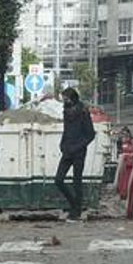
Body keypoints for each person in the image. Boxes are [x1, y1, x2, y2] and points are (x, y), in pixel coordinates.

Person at [55, 87, 96, 221]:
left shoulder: (83, 112)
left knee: (76, 181)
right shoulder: (66, 111)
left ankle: (76, 210)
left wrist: (78, 147)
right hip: (67, 150)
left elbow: (90, 134)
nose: (64, 101)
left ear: (72, 98)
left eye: (66, 99)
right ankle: (74, 204)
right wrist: (62, 144)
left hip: (78, 152)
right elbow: (66, 130)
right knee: (58, 180)